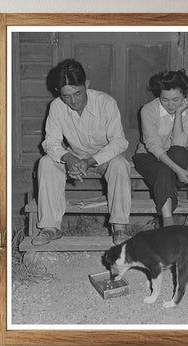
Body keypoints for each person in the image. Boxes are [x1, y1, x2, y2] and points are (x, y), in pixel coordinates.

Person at [32, 59, 131, 246]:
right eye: (66, 96)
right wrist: (68, 158)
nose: (73, 101)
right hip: (74, 157)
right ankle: (50, 228)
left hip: (103, 157)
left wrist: (91, 161)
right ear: (58, 93)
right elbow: (51, 142)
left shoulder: (106, 103)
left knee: (120, 164)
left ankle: (119, 227)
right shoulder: (56, 106)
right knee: (45, 163)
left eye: (78, 94)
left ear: (87, 85)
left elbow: (119, 141)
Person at [133, 69, 188, 227]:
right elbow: (153, 146)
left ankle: (165, 217)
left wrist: (178, 114)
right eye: (165, 100)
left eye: (176, 100)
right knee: (164, 171)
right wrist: (177, 170)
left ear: (185, 95)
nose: (170, 104)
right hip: (147, 156)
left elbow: (179, 143)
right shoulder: (148, 110)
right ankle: (168, 222)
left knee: (180, 152)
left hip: (174, 155)